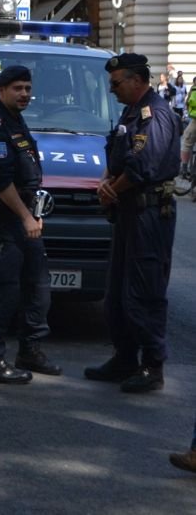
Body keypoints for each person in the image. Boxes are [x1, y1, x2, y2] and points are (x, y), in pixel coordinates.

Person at [85, 53, 179, 393]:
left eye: (116, 83)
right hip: (128, 213)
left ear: (137, 80)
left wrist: (112, 189)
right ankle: (124, 358)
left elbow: (144, 166)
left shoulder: (155, 115)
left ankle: (152, 366)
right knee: (118, 293)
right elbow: (119, 156)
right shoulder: (131, 112)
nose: (112, 89)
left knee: (144, 290)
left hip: (148, 214)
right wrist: (106, 180)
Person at [0, 65, 62, 384]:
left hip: (26, 219)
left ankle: (30, 350)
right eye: (17, 88)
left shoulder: (15, 122)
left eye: (27, 88)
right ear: (1, 90)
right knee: (2, 292)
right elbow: (1, 182)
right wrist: (25, 216)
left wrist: (34, 214)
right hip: (6, 221)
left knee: (38, 289)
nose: (24, 94)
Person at [180, 76, 196, 177]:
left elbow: (189, 103)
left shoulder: (193, 90)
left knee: (186, 142)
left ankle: (184, 169)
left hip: (195, 120)